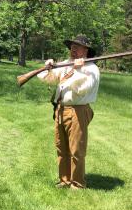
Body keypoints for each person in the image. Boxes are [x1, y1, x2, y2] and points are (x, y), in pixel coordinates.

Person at [37, 35, 100, 190]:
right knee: (61, 147)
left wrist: (78, 70)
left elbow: (81, 90)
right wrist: (49, 66)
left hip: (78, 110)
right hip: (61, 110)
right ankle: (64, 180)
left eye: (77, 46)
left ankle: (78, 184)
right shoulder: (66, 64)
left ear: (85, 50)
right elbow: (48, 79)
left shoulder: (91, 69)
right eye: (72, 46)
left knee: (77, 149)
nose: (73, 49)